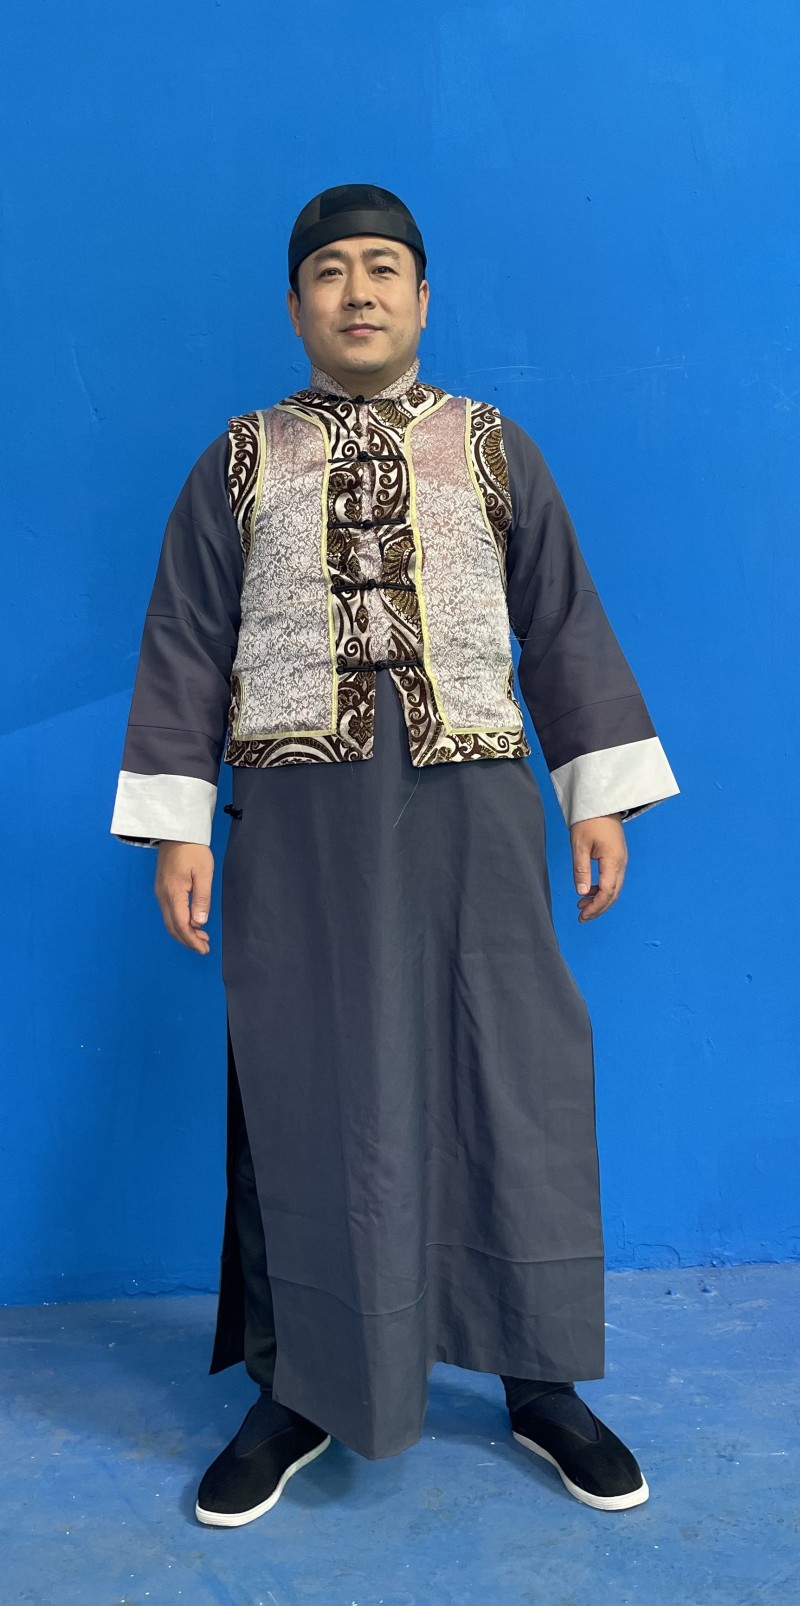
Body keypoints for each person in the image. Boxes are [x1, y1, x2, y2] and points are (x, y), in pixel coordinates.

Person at [110, 183, 680, 1528]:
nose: (356, 292)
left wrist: (594, 795)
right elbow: (186, 641)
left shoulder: (491, 447)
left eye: (382, 269)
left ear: (422, 299)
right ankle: (303, 1388)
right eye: (329, 272)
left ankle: (540, 1378)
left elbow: (561, 619)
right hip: (298, 819)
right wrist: (179, 825)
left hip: (477, 806)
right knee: (314, 1083)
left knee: (513, 1071)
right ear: (294, 306)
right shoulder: (239, 460)